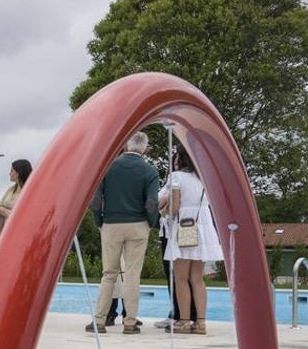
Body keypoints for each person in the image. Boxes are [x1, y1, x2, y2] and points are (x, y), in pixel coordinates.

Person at [88, 131, 160, 334]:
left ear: (127, 145)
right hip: (138, 225)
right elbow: (152, 203)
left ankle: (100, 320)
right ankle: (129, 322)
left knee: (108, 274)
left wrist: (98, 221)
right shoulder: (150, 171)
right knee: (132, 276)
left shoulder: (108, 167)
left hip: (111, 224)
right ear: (145, 148)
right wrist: (150, 224)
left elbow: (95, 200)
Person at [161, 144, 221, 334]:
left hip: (185, 228)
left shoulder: (176, 177)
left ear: (181, 158)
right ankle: (201, 322)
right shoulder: (204, 178)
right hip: (203, 226)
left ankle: (184, 321)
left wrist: (163, 212)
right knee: (197, 278)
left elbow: (175, 205)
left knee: (180, 277)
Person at [0, 159, 32, 237]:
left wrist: (8, 213)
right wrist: (9, 213)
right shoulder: (11, 190)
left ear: (19, 173)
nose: (9, 173)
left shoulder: (31, 191)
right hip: (6, 232)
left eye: (12, 171)